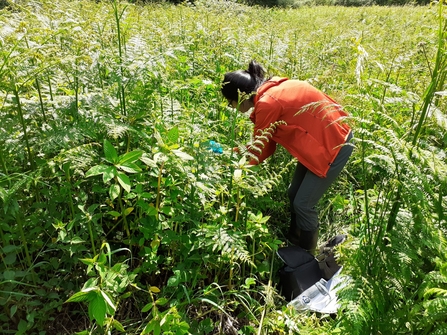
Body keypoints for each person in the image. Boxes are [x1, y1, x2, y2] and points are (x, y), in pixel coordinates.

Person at [221, 61, 353, 254]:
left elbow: (263, 149)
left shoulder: (267, 103)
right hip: (321, 140)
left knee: (303, 203)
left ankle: (306, 255)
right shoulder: (273, 89)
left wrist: (238, 174)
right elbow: (265, 142)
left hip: (334, 144)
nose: (230, 107)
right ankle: (295, 238)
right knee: (294, 194)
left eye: (229, 101)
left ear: (239, 96)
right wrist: (233, 153)